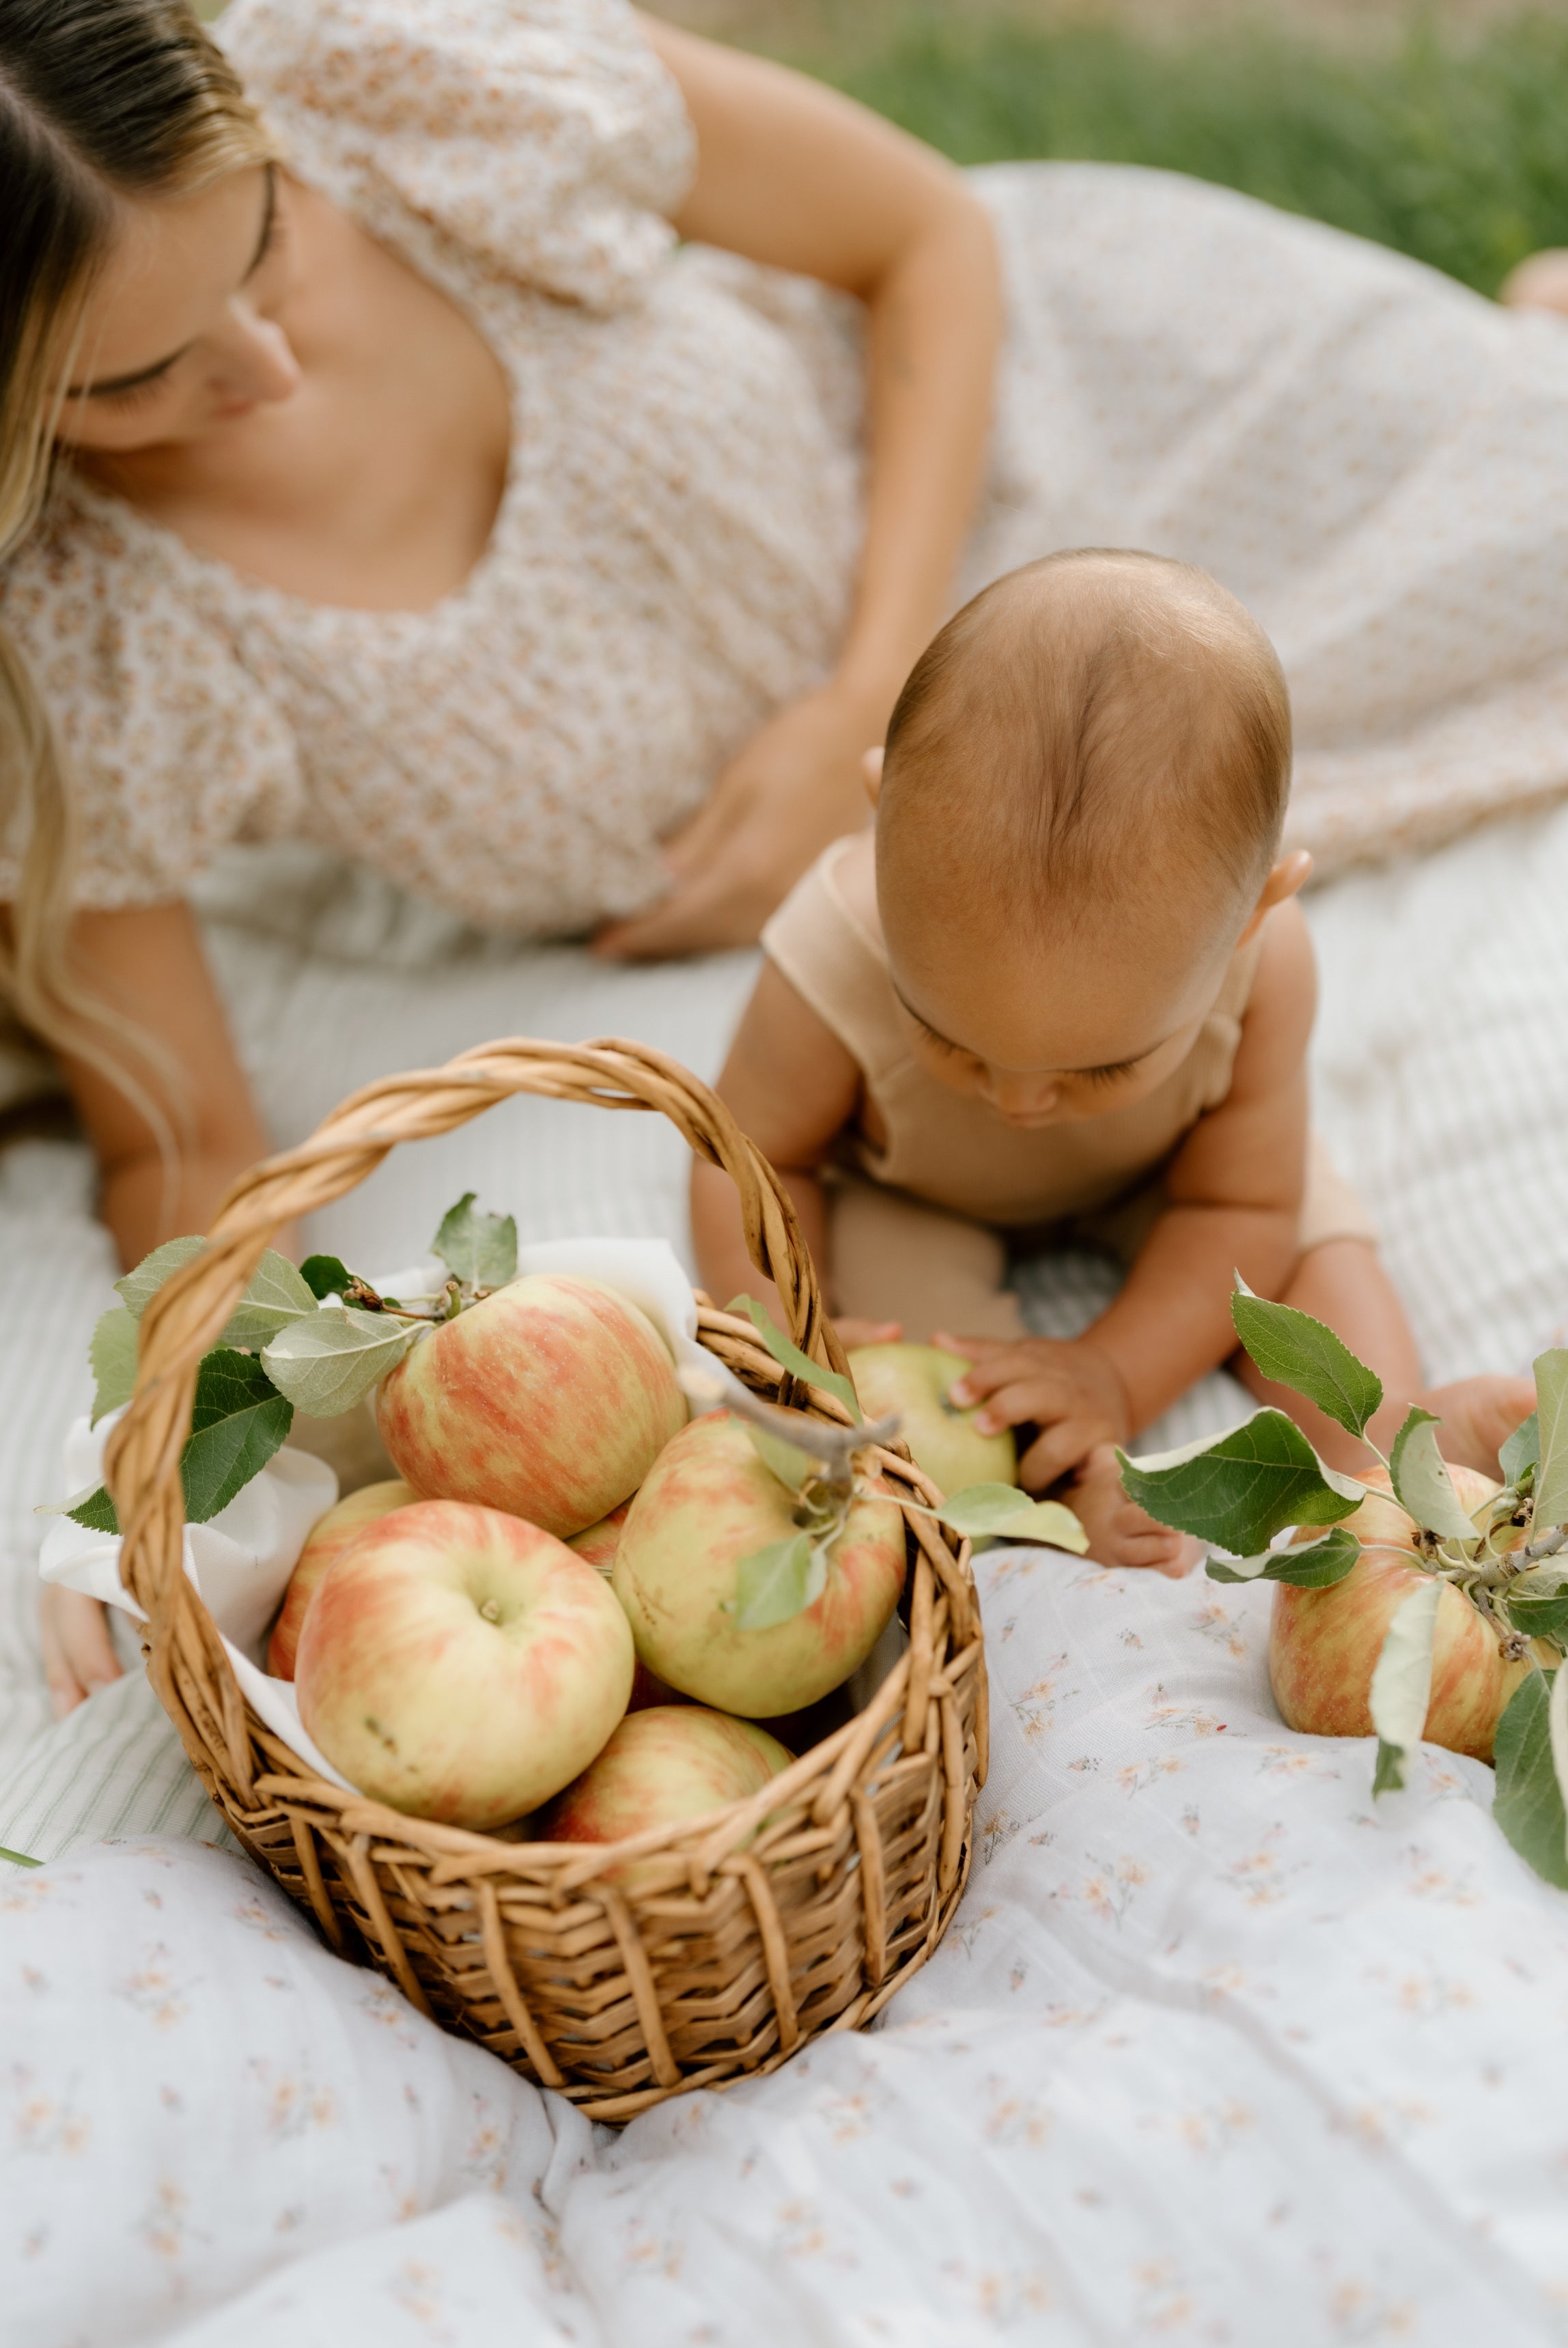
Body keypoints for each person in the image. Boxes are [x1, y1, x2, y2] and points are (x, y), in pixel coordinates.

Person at [7, 0, 1565, 1692]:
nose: (266, 370)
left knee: (1507, 493)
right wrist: (171, 1427)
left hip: (997, 493)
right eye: (136, 376)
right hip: (954, 825)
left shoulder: (403, 77)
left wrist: (849, 716)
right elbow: (194, 1141)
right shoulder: (86, 638)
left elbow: (920, 231)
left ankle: (1416, 1465)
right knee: (905, 1374)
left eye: (266, 235)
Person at [692, 553, 1535, 1571]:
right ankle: (1047, 1498)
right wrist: (793, 1344)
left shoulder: (1269, 971)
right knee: (914, 1383)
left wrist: (1113, 1373)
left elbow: (1245, 1208)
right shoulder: (827, 954)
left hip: (1176, 1177)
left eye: (1099, 1068)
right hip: (915, 1189)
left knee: (1311, 1261)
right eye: (947, 1036)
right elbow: (750, 1161)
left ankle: (1393, 1453)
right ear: (875, 823)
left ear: (1250, 919)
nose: (1019, 1100)